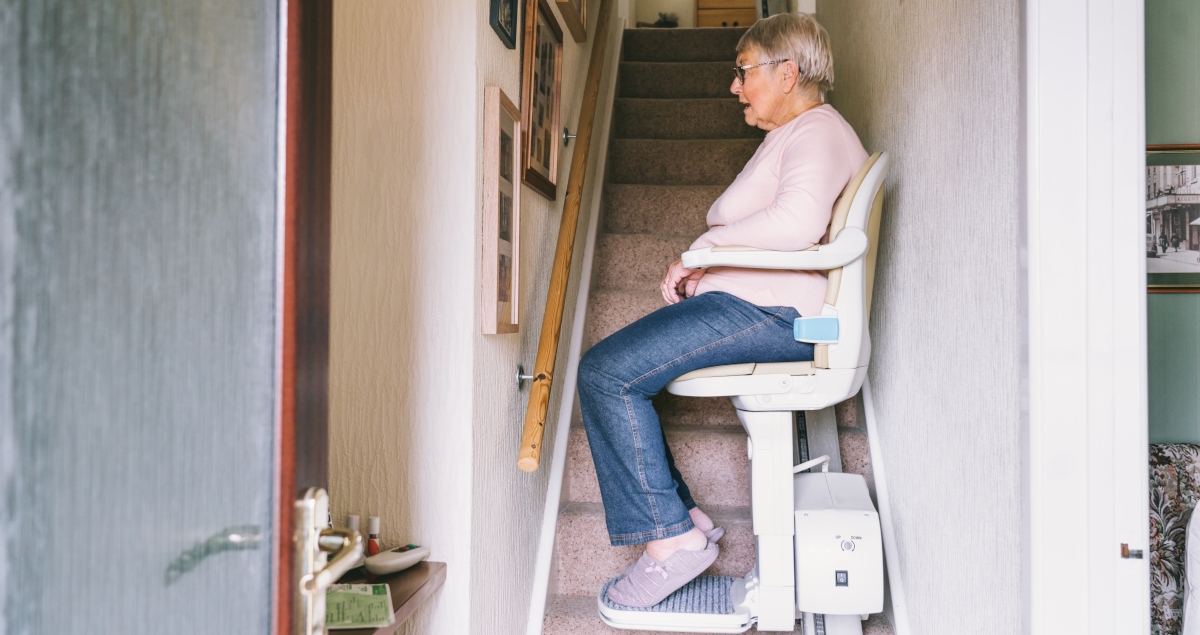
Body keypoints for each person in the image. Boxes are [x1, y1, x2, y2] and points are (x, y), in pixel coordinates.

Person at [577, 12, 869, 608]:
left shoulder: (816, 131)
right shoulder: (796, 135)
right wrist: (708, 263)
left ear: (787, 73)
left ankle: (672, 540)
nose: (734, 86)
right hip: (761, 304)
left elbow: (798, 222)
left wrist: (704, 250)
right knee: (612, 370)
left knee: (606, 374)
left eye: (743, 72)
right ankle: (681, 519)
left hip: (774, 312)